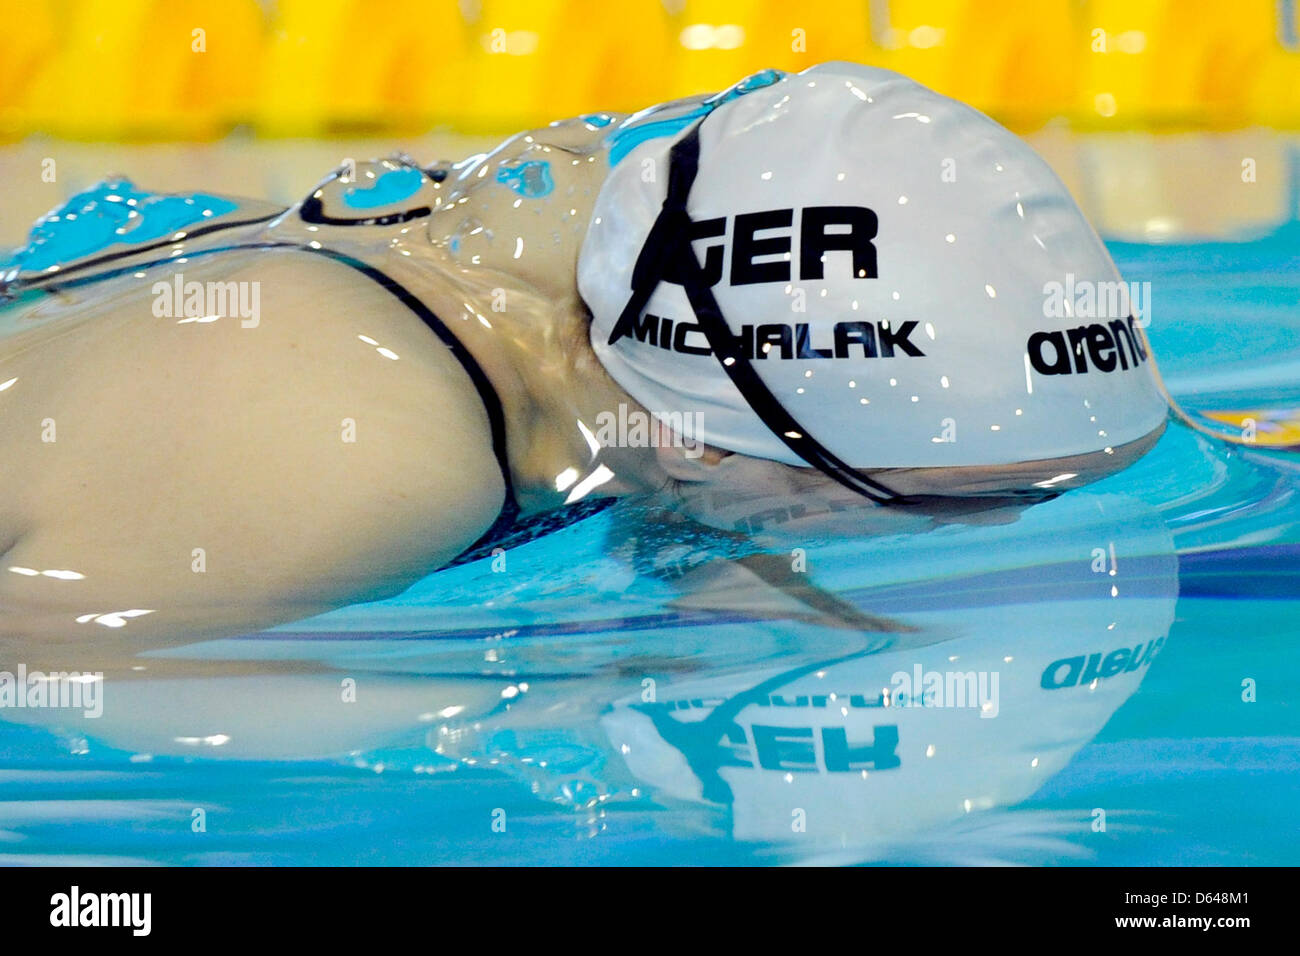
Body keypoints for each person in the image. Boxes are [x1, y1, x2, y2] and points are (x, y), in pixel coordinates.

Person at [0, 62, 1168, 649]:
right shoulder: (367, 455)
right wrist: (543, 711)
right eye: (950, 504)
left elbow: (685, 485)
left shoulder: (613, 296)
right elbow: (62, 669)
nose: (1005, 527)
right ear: (705, 441)